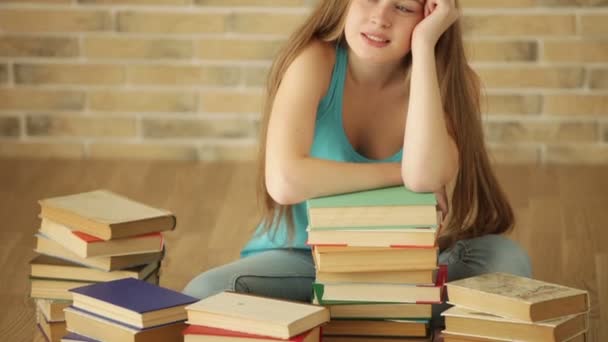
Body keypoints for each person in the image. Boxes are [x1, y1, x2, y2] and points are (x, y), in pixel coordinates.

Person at [183, 0, 532, 330]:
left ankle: (344, 319)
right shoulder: (314, 59)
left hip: (407, 267)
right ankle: (370, 319)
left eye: (403, 7)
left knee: (507, 262)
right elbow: (284, 181)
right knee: (206, 291)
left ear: (430, 14)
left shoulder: (454, 84)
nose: (381, 17)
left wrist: (425, 47)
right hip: (306, 259)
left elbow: (425, 175)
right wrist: (397, 173)